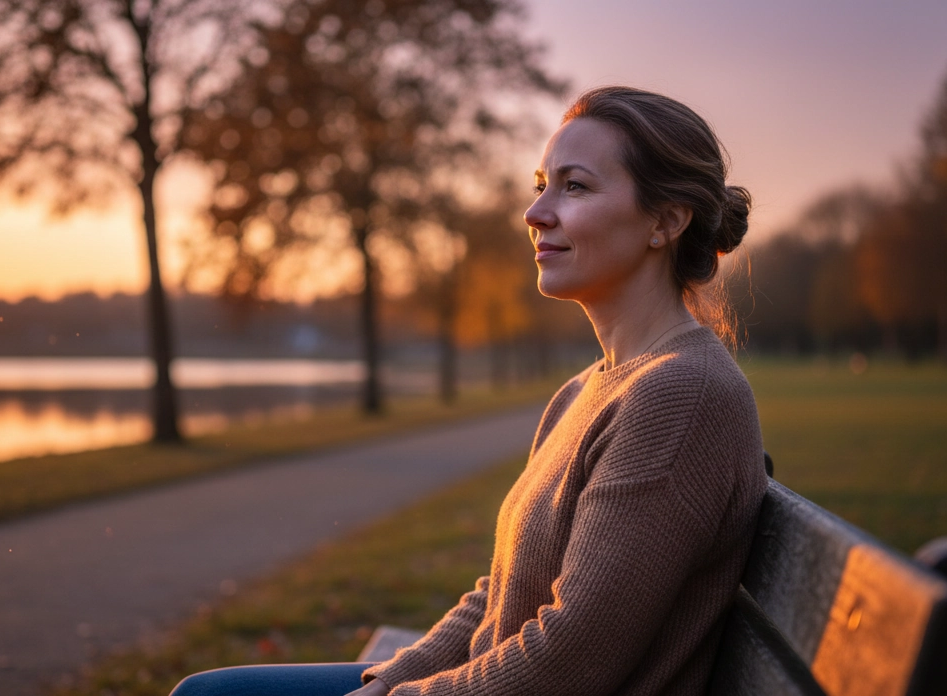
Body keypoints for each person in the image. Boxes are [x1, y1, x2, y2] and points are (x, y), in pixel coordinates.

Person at [172, 85, 768, 696]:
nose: (535, 213)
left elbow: (568, 661)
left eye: (575, 187)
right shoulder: (586, 390)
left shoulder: (681, 396)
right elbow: (497, 597)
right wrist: (387, 680)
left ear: (665, 221)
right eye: (541, 184)